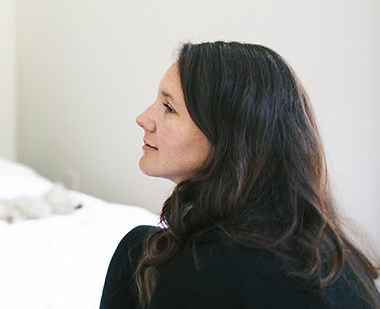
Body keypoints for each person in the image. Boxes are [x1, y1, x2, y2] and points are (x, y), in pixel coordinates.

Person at [99, 42, 380, 309]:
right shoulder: (332, 252)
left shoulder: (206, 270)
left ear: (229, 140)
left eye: (169, 108)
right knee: (138, 249)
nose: (143, 118)